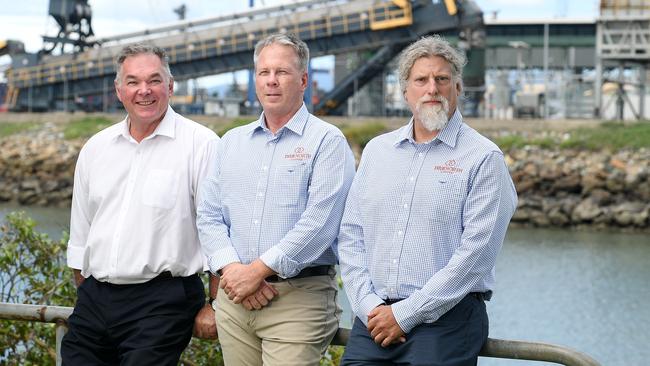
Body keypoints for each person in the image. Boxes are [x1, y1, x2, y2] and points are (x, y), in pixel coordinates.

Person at [337, 35, 518, 365]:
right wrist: (367, 304)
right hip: (374, 320)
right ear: (405, 91)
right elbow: (351, 234)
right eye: (421, 80)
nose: (432, 89)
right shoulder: (378, 152)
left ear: (458, 89)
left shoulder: (483, 158)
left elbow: (475, 256)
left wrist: (405, 314)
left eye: (442, 79)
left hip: (446, 323)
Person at [196, 33, 355, 365]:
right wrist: (234, 270)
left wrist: (256, 272)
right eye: (263, 72)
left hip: (298, 301)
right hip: (235, 299)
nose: (271, 81)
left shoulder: (327, 142)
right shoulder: (231, 142)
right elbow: (209, 216)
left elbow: (321, 223)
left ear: (303, 80)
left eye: (281, 72)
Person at [62, 43, 219, 365]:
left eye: (154, 80)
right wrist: (87, 289)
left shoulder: (202, 145)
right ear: (119, 90)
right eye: (133, 82)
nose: (143, 91)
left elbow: (218, 230)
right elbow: (81, 232)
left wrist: (215, 304)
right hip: (95, 296)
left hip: (163, 299)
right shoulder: (96, 148)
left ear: (171, 87)